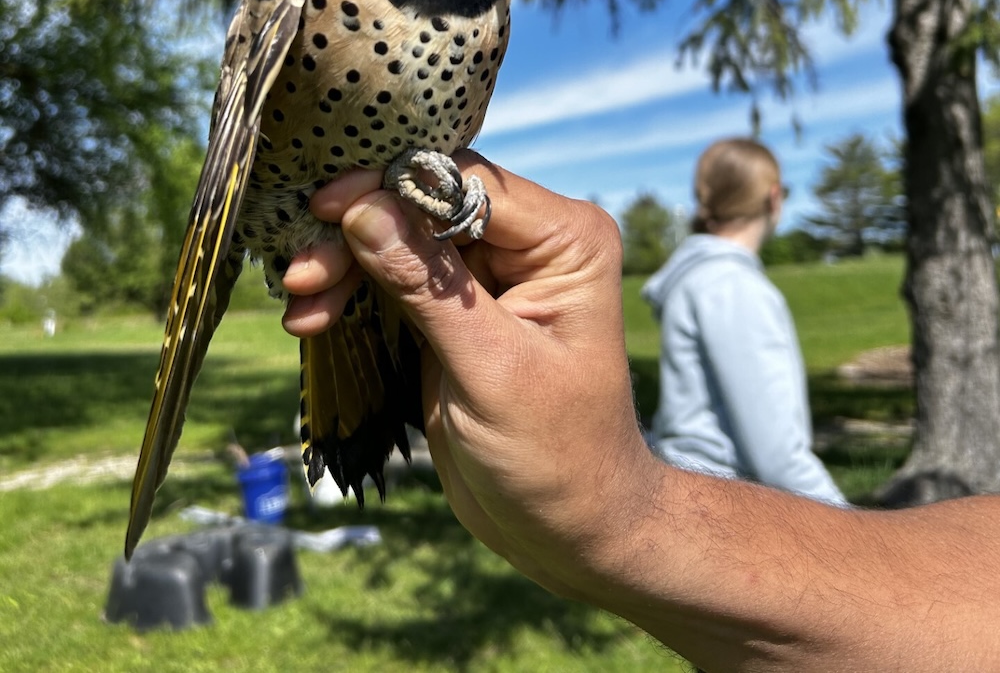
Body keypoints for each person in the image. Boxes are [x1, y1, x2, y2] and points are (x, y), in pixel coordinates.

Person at [281, 155, 1000, 672]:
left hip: (696, 506)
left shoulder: (682, 280)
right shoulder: (737, 292)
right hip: (755, 517)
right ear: (775, 196)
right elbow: (777, 449)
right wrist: (850, 544)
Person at [642, 138, 845, 505]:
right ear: (773, 198)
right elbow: (778, 457)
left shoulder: (698, 280)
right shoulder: (732, 287)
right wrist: (860, 538)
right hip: (725, 511)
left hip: (690, 497)